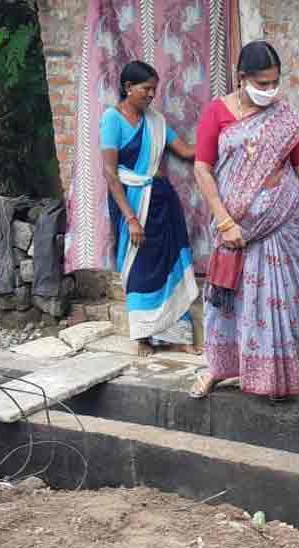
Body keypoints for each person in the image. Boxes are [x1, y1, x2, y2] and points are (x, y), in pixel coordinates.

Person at [191, 41, 299, 400]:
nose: (269, 91)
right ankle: (219, 369)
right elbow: (203, 167)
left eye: (275, 82)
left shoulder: (285, 120)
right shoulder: (217, 113)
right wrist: (225, 221)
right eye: (262, 84)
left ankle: (274, 378)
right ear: (241, 77)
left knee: (280, 301)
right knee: (226, 304)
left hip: (278, 229)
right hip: (233, 229)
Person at [101, 61, 199, 356]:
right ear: (128, 88)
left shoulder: (156, 121)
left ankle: (179, 335)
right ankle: (143, 336)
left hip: (162, 203)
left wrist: (219, 136)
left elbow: (186, 152)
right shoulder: (112, 120)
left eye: (154, 90)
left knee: (171, 265)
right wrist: (131, 219)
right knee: (140, 268)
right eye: (146, 89)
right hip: (132, 203)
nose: (151, 95)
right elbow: (110, 173)